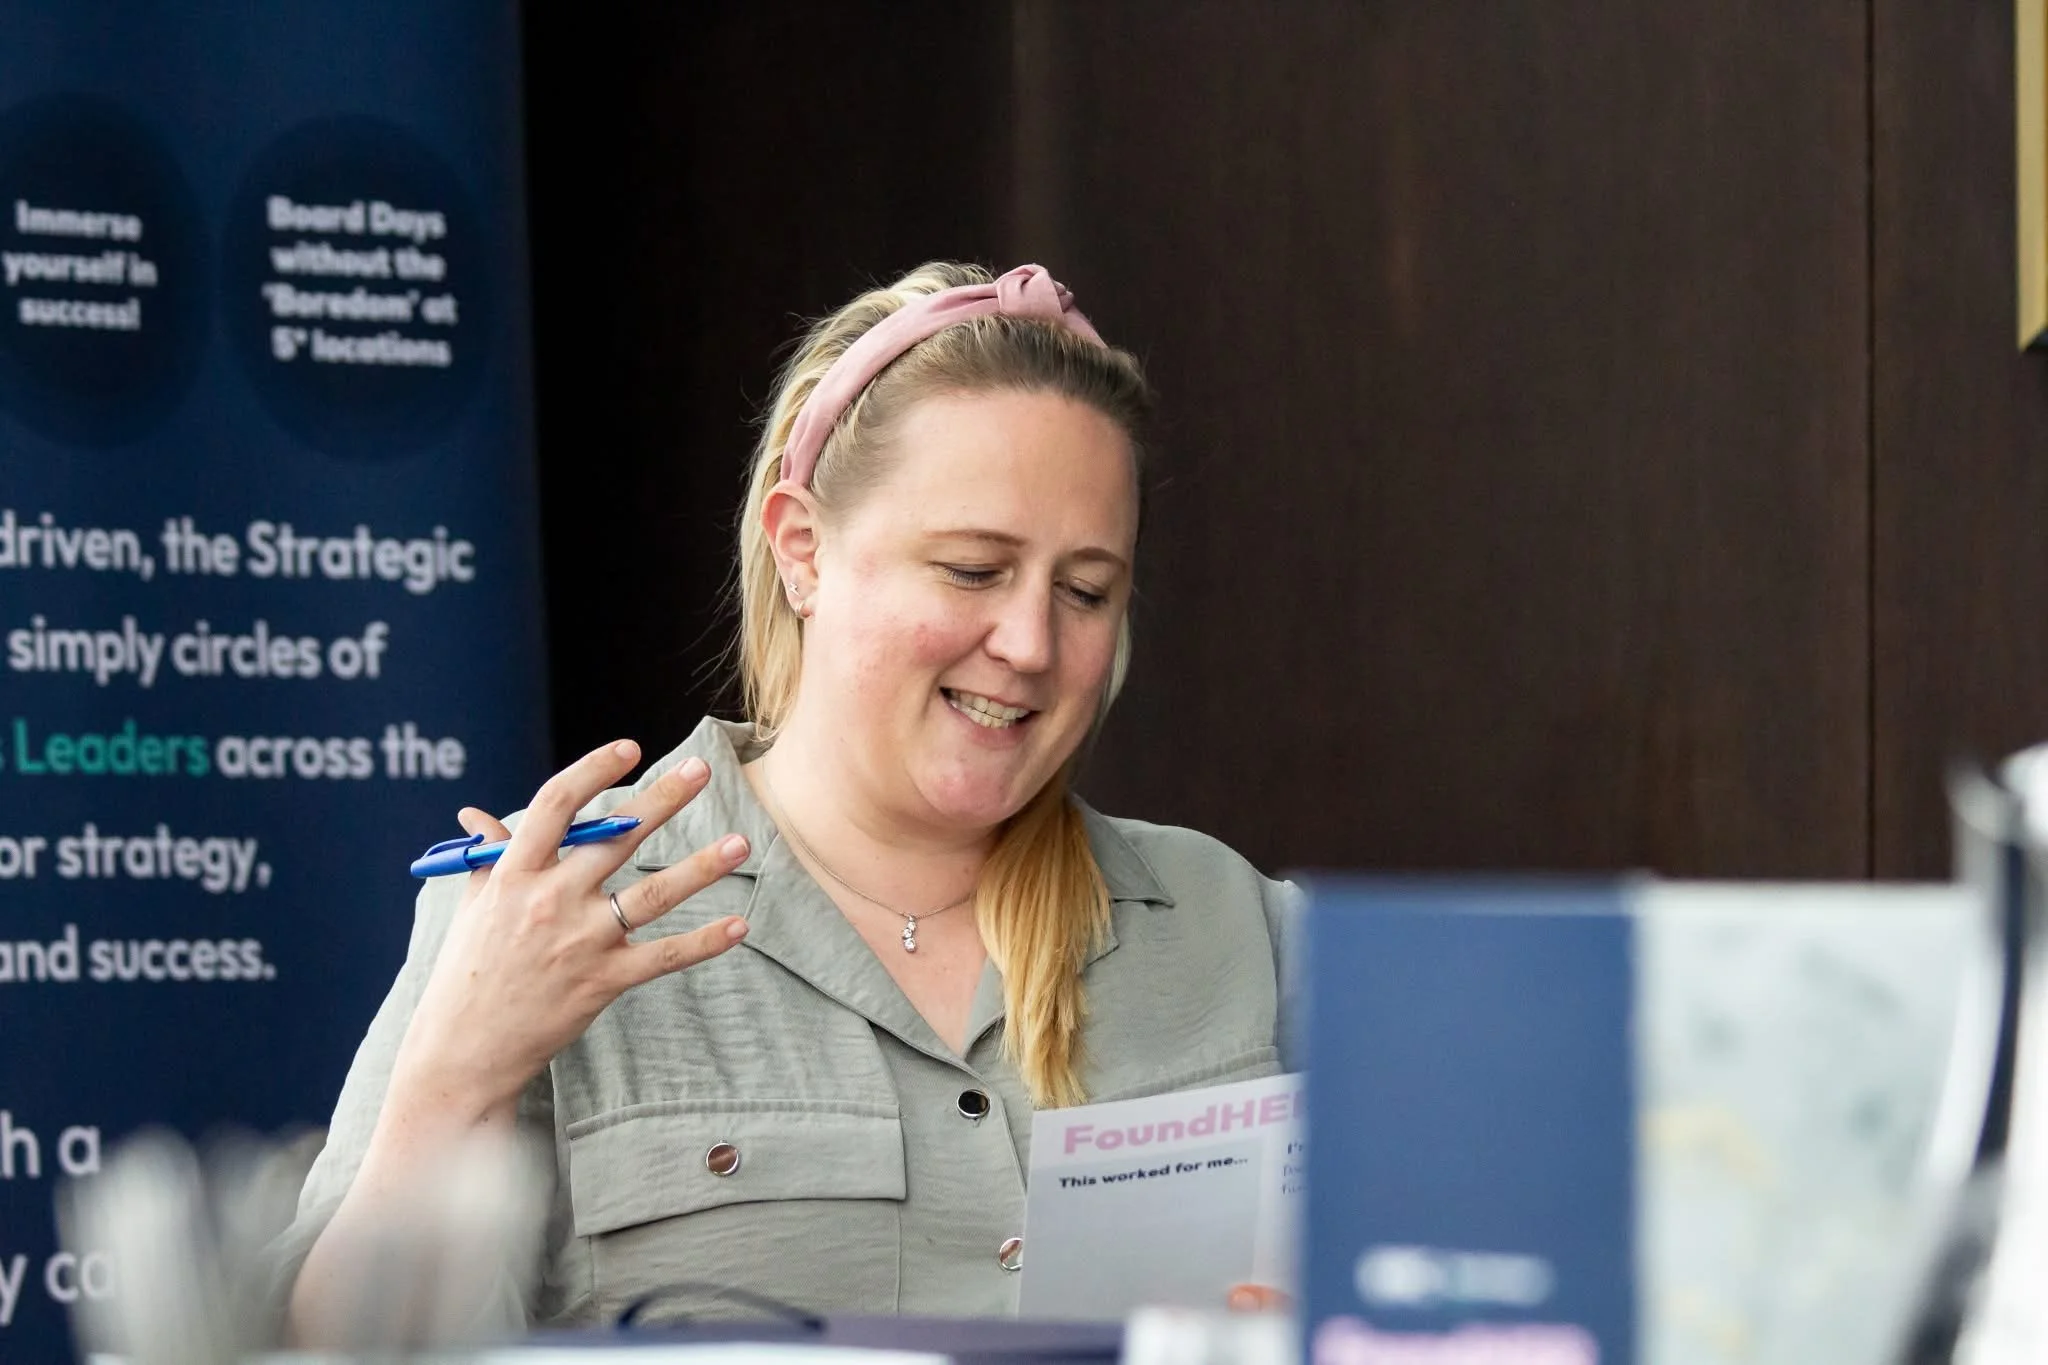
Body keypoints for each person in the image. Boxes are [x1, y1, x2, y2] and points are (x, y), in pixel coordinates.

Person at [272, 262, 1297, 1339]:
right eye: (969, 569)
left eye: (1086, 591)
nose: (1032, 645)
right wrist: (456, 1076)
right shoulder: (539, 916)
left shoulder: (1236, 923)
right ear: (801, 550)